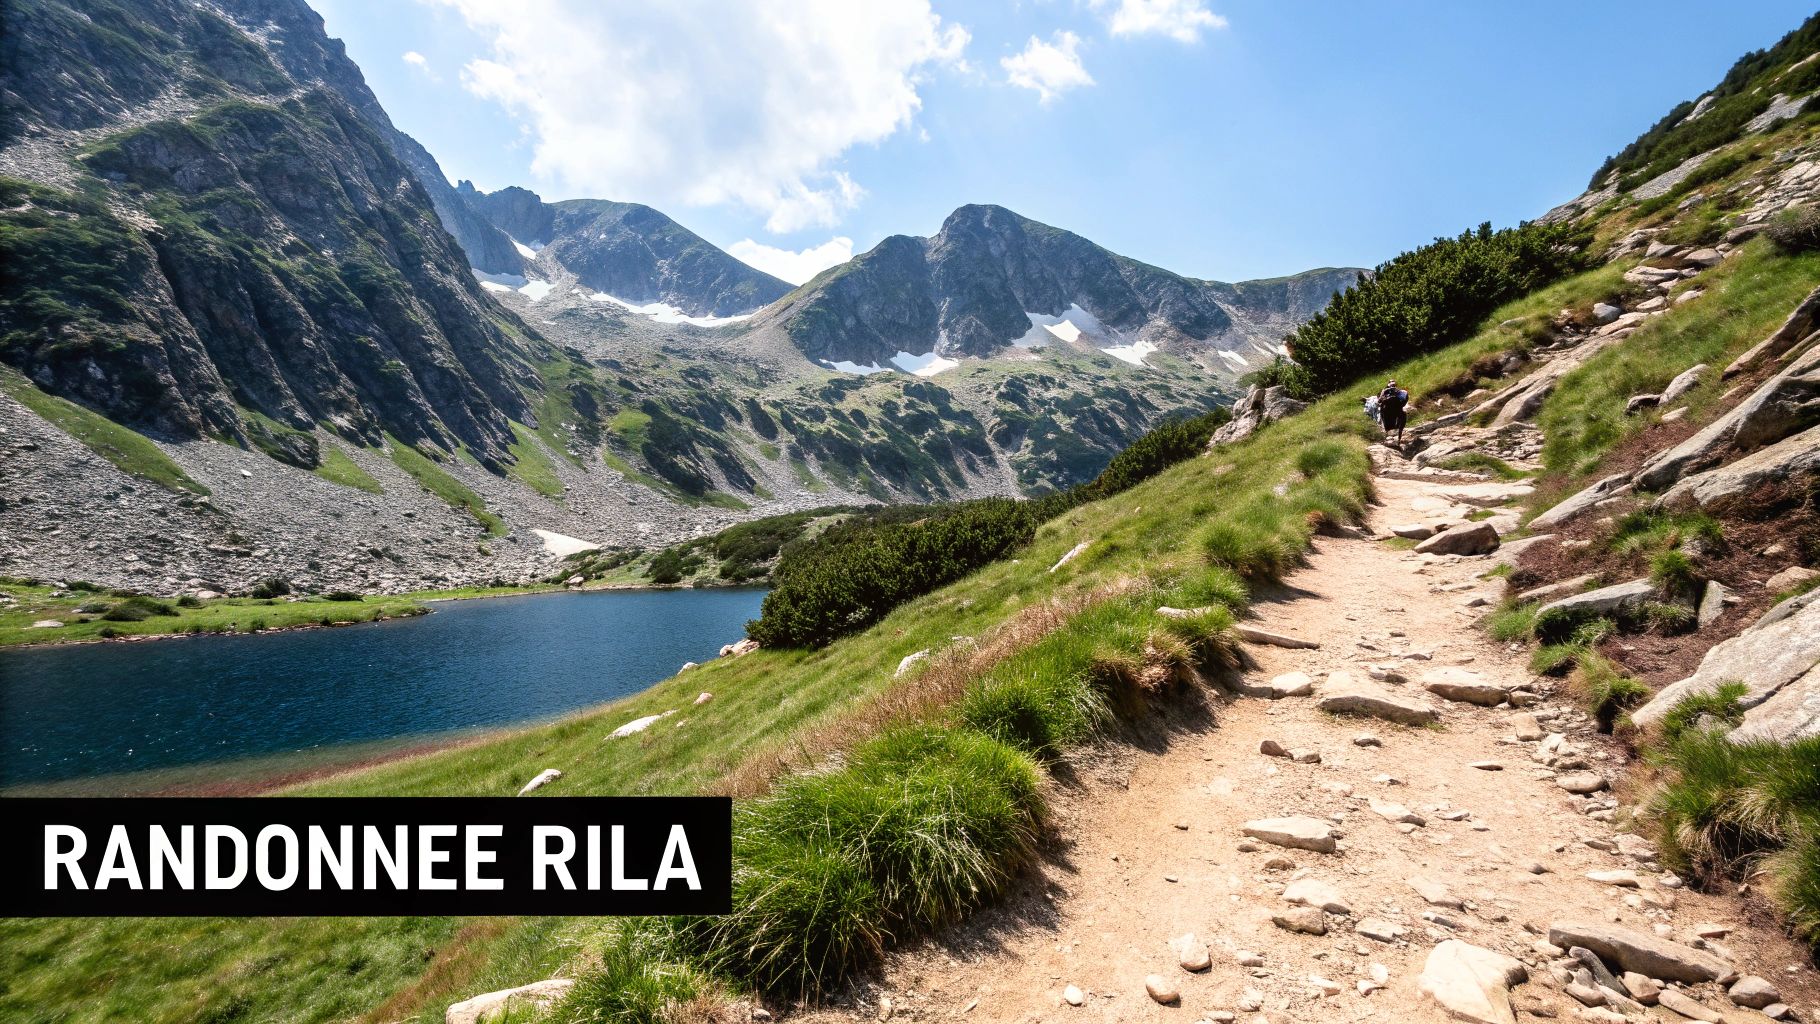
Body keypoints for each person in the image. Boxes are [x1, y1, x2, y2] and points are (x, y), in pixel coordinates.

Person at [1378, 379, 1408, 445]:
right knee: (1388, 426)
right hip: (1388, 412)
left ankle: (1399, 439)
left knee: (1402, 417)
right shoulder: (1385, 392)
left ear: (1396, 386)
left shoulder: (1401, 392)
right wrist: (1384, 393)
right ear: (1388, 386)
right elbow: (1379, 402)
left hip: (1396, 410)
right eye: (1391, 385)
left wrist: (1397, 393)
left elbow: (1404, 400)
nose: (1392, 387)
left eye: (1394, 385)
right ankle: (1387, 438)